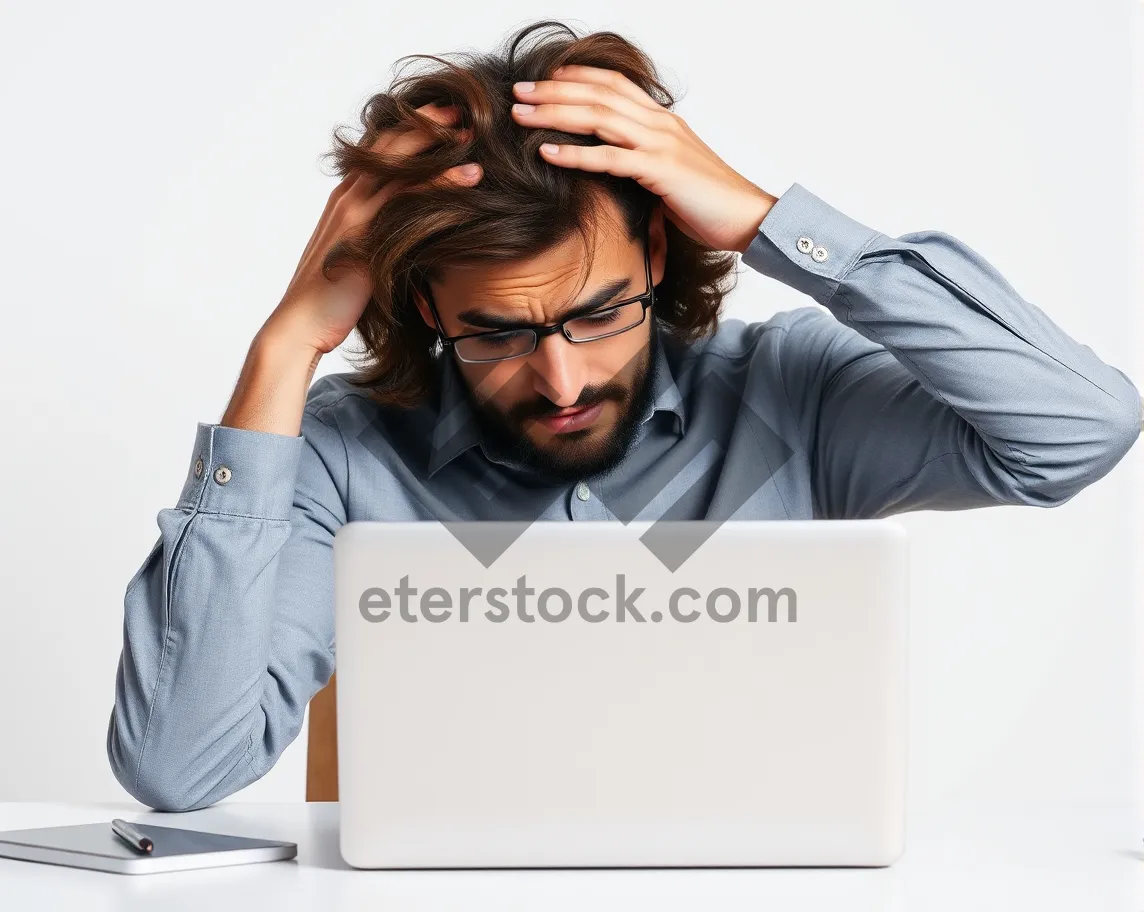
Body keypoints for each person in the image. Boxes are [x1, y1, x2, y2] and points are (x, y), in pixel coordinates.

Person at [106, 20, 1141, 812]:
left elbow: (1079, 429)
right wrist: (284, 347)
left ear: (656, 254)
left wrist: (770, 222)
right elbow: (179, 768)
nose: (561, 381)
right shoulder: (340, 452)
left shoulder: (795, 393)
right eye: (500, 334)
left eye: (600, 313)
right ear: (427, 307)